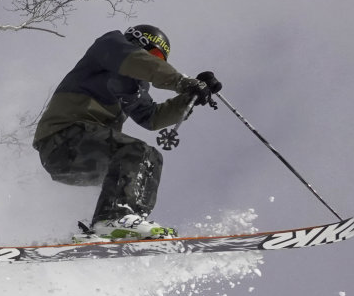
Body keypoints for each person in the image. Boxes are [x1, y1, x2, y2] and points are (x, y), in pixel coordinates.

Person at [32, 24, 220, 240]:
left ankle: (125, 223)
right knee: (136, 151)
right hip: (63, 137)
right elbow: (138, 62)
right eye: (156, 55)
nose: (156, 61)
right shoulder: (110, 45)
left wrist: (191, 98)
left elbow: (152, 117)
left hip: (82, 158)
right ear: (141, 42)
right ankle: (114, 216)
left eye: (160, 59)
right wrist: (183, 82)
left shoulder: (134, 88)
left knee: (150, 158)